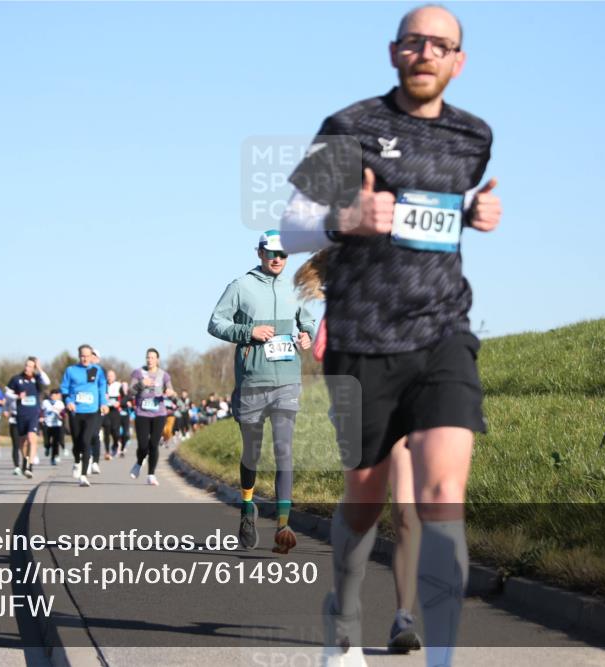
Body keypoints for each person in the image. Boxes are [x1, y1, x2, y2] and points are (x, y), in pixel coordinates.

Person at [280, 5, 502, 665]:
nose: (426, 53)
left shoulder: (474, 137)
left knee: (441, 492)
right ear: (393, 53)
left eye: (442, 45)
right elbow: (290, 226)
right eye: (414, 42)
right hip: (362, 334)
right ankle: (343, 619)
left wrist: (474, 211)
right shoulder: (351, 127)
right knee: (366, 493)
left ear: (458, 62)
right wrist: (346, 216)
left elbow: (434, 210)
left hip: (442, 331)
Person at [297, 255, 423, 654]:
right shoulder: (343, 305)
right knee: (365, 507)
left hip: (404, 407)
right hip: (357, 409)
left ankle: (404, 617)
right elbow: (324, 352)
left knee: (406, 510)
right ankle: (343, 604)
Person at [208, 229, 316, 554]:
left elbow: (308, 321)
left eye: (283, 255)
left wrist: (307, 335)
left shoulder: (294, 288)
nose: (278, 260)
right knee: (251, 452)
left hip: (287, 381)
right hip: (252, 383)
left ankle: (283, 526)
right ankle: (246, 505)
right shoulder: (240, 286)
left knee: (284, 451)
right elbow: (215, 323)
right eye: (272, 254)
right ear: (259, 253)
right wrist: (249, 331)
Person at [60, 345, 107, 487]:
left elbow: (101, 387)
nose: (85, 358)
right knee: (77, 442)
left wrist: (103, 403)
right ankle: (76, 462)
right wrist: (68, 401)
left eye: (87, 355)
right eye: (82, 356)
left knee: (86, 441)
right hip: (75, 411)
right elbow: (64, 389)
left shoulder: (97, 370)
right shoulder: (71, 370)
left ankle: (84, 475)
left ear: (91, 356)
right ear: (79, 356)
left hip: (92, 411)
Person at [128, 348, 175, 486]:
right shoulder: (138, 373)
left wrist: (170, 392)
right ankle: (138, 463)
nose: (150, 360)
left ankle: (151, 474)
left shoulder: (163, 375)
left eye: (153, 357)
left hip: (159, 414)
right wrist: (142, 384)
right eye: (148, 357)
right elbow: (130, 391)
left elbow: (170, 389)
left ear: (157, 360)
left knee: (154, 444)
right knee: (143, 445)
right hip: (142, 413)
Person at [7, 357, 50, 479]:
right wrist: (17, 396)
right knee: (22, 442)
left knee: (32, 438)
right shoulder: (16, 379)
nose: (27, 368)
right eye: (26, 365)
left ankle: (29, 466)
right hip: (21, 414)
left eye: (31, 366)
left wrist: (40, 368)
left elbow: (47, 381)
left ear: (34, 368)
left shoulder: (37, 379)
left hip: (33, 414)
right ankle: (25, 460)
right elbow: (7, 393)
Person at [103, 369, 127, 460]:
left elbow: (124, 397)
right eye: (108, 376)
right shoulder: (103, 385)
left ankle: (116, 444)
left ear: (115, 377)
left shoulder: (118, 385)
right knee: (106, 430)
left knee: (115, 431)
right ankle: (107, 451)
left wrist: (119, 403)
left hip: (115, 410)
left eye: (111, 376)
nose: (109, 377)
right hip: (106, 410)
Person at [42, 388, 66, 465]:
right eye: (52, 395)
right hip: (47, 424)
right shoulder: (45, 402)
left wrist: (61, 415)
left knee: (55, 442)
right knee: (47, 441)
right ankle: (47, 447)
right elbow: (40, 411)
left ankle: (53, 458)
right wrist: (41, 417)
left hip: (57, 425)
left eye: (55, 395)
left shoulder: (60, 403)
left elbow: (63, 413)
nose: (53, 397)